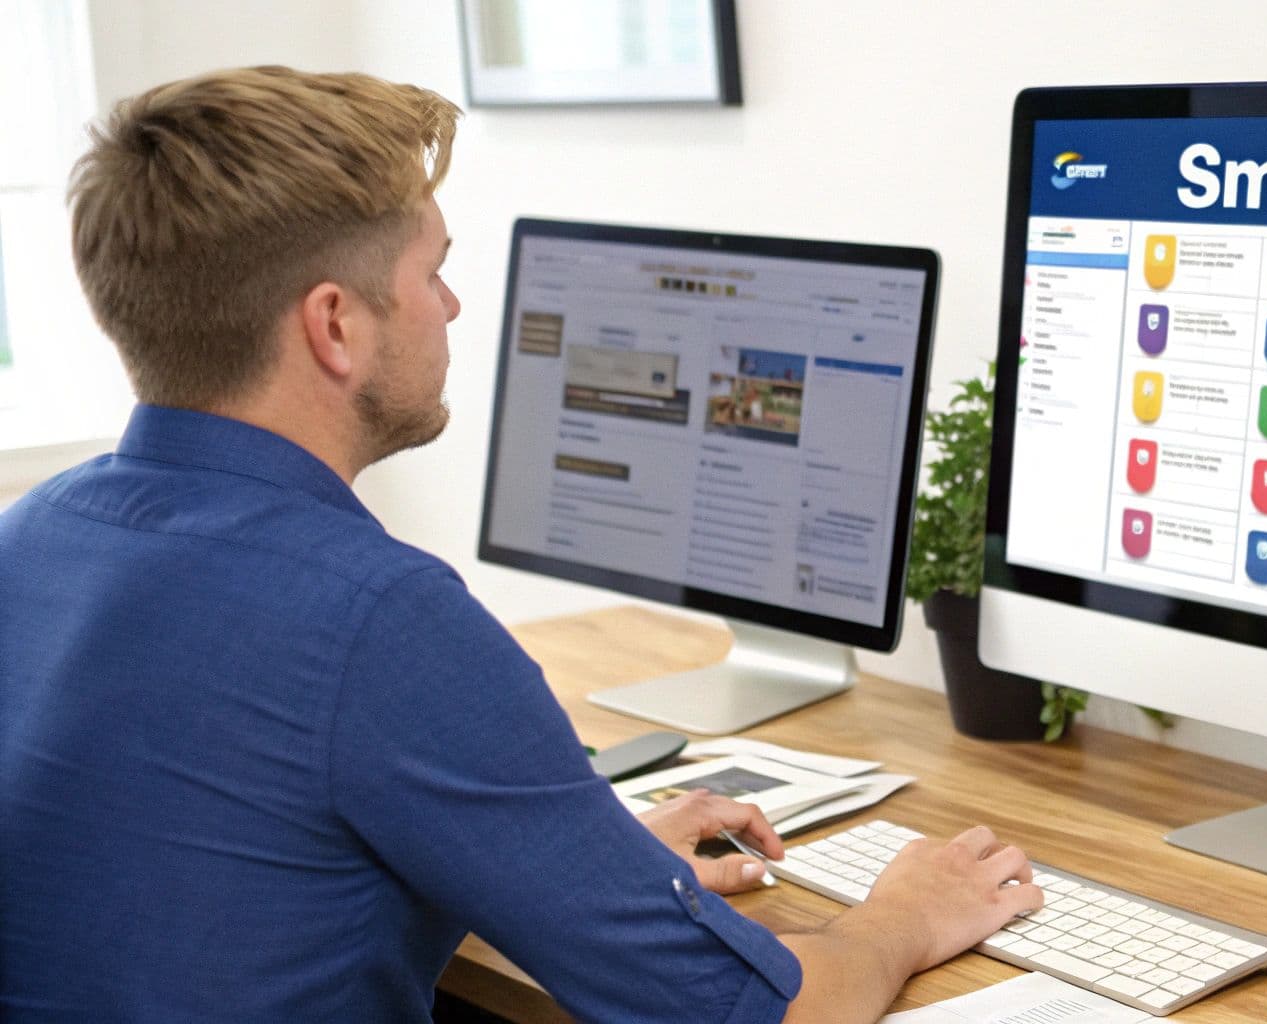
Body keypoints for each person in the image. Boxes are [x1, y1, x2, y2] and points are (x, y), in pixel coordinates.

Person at [0, 66, 1040, 1023]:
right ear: (334, 325)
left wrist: (584, 869)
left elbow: (236, 878)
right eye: (432, 273)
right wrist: (905, 911)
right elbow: (752, 1015)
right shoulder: (378, 617)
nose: (452, 308)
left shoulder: (34, 534)